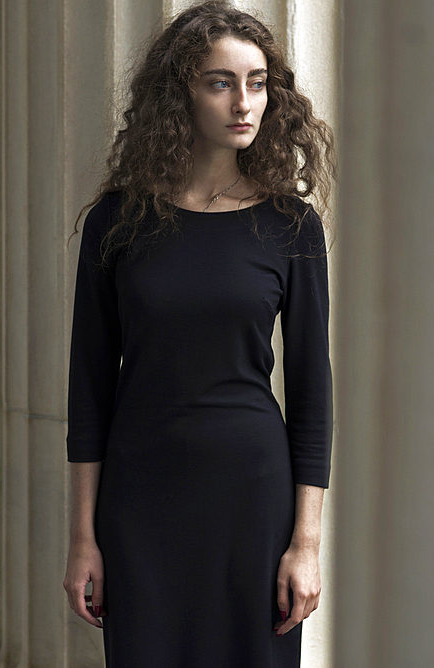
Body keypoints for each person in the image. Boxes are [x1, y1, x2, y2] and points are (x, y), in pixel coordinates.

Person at [63, 1, 335, 665]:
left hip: (252, 500)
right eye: (220, 81)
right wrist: (83, 538)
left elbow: (311, 394)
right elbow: (89, 388)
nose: (244, 102)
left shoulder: (291, 227)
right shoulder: (118, 223)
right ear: (179, 92)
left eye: (257, 82)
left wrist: (305, 544)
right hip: (142, 497)